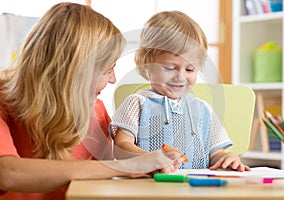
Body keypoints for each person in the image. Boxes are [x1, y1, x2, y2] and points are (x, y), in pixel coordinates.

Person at [0, 3, 182, 200]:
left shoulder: (97, 111)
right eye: (107, 69)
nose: (113, 79)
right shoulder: (4, 100)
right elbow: (8, 173)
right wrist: (124, 166)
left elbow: (102, 178)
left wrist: (143, 167)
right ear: (73, 72)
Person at [110, 11, 250, 171]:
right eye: (170, 68)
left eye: (190, 69)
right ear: (146, 63)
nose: (180, 77)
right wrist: (151, 160)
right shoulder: (137, 103)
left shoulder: (204, 110)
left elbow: (215, 154)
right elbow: (121, 147)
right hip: (149, 187)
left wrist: (227, 158)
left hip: (194, 191)